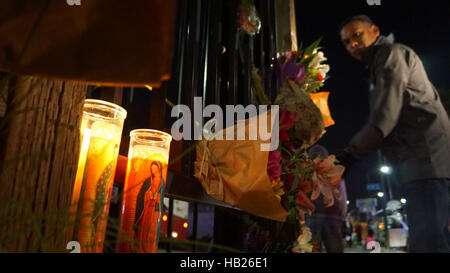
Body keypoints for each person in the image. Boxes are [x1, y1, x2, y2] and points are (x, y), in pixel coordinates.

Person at [337, 14, 450, 252]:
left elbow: (384, 118)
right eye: (346, 43)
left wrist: (347, 157)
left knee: (427, 241)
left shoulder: (391, 55)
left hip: (426, 161)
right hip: (422, 162)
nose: (353, 44)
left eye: (357, 35)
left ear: (375, 30)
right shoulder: (379, 63)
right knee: (431, 237)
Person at [308, 145, 348, 253]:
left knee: (313, 249)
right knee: (335, 249)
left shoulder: (306, 172)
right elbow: (342, 200)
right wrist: (342, 218)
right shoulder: (336, 174)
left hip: (312, 218)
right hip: (333, 219)